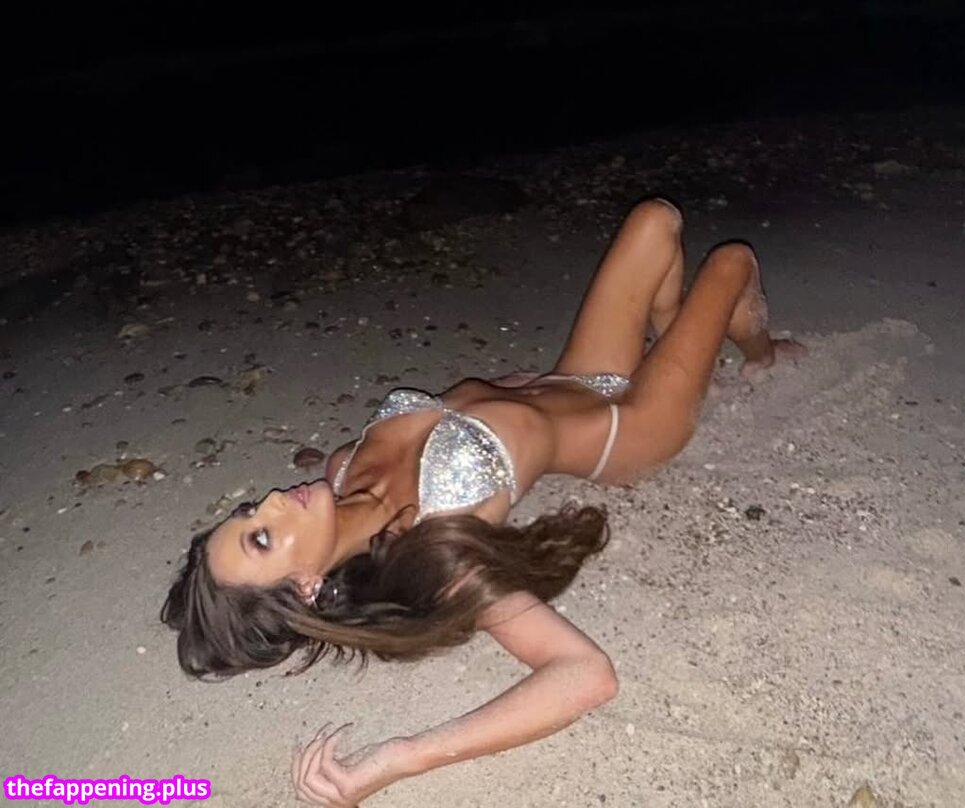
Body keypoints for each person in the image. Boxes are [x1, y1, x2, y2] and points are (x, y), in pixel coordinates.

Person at [161, 198, 803, 805]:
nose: (272, 502)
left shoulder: (341, 469)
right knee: (730, 262)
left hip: (577, 378)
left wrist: (518, 390)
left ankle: (683, 346)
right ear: (305, 587)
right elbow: (585, 674)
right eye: (262, 537)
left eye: (248, 513)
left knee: (655, 221)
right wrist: (401, 758)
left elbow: (456, 412)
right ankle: (761, 353)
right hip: (628, 426)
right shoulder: (432, 551)